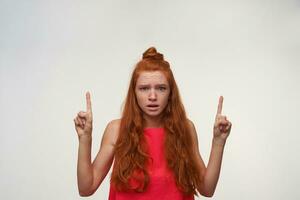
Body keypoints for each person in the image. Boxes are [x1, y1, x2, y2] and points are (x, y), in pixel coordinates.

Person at [74, 47, 232, 199]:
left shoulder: (185, 128)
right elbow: (86, 188)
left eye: (161, 88)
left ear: (170, 93)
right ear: (134, 92)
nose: (152, 96)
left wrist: (218, 142)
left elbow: (207, 189)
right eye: (144, 88)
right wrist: (85, 139)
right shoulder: (116, 130)